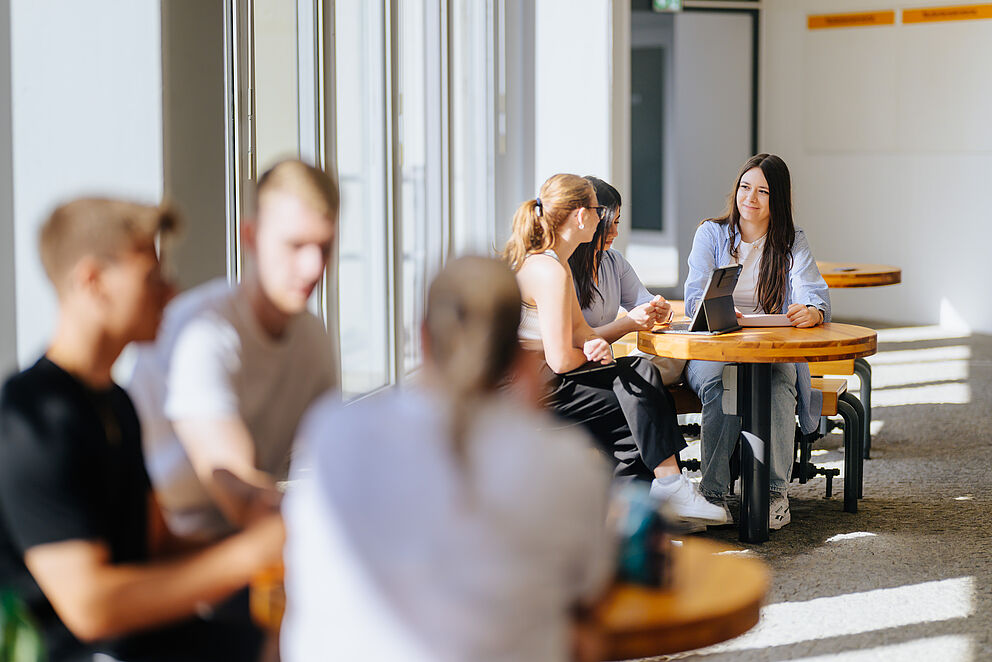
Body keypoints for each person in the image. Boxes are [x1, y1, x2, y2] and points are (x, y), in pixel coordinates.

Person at [281, 256, 614, 662]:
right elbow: (587, 596)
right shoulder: (566, 465)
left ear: (423, 338)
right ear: (517, 351)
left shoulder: (332, 432)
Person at [0, 198, 285, 662]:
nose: (170, 293)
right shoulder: (33, 418)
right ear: (92, 282)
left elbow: (156, 546)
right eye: (152, 278)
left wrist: (275, 539)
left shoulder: (117, 403)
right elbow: (91, 607)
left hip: (143, 641)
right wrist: (248, 556)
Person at [127, 159, 339, 541]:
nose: (313, 267)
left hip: (244, 546)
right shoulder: (206, 333)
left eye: (325, 247)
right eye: (296, 246)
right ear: (251, 236)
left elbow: (335, 463)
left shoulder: (313, 339)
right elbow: (240, 495)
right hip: (169, 551)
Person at [502, 173, 725, 525]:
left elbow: (581, 332)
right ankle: (660, 493)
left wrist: (595, 347)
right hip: (527, 384)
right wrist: (594, 355)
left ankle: (650, 502)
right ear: (580, 216)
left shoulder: (556, 264)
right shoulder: (549, 271)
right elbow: (562, 360)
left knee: (640, 377)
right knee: (635, 397)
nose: (602, 218)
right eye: (596, 210)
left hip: (545, 374)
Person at [684, 153, 830, 530]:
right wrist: (729, 317)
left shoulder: (791, 240)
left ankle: (773, 494)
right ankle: (713, 494)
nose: (751, 198)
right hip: (716, 348)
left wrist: (813, 310)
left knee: (780, 382)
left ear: (777, 199)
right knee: (722, 384)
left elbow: (814, 292)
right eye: (745, 188)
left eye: (763, 191)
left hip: (771, 352)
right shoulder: (712, 233)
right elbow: (693, 299)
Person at [568, 176, 684, 385]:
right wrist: (627, 324)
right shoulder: (561, 270)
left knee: (675, 360)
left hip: (604, 365)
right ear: (586, 219)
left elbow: (644, 303)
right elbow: (572, 343)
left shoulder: (614, 262)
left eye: (617, 222)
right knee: (646, 376)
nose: (615, 232)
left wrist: (661, 310)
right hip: (576, 373)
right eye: (607, 224)